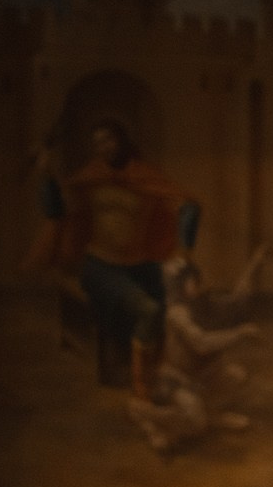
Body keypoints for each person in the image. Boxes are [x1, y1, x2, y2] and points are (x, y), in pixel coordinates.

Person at [28, 118, 202, 397]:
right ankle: (142, 384)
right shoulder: (91, 176)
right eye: (97, 143)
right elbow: (55, 211)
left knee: (173, 310)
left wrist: (185, 251)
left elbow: (188, 205)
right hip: (100, 266)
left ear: (122, 140)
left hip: (142, 265)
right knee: (149, 310)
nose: (103, 147)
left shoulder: (144, 175)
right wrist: (45, 175)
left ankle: (161, 372)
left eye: (108, 140)